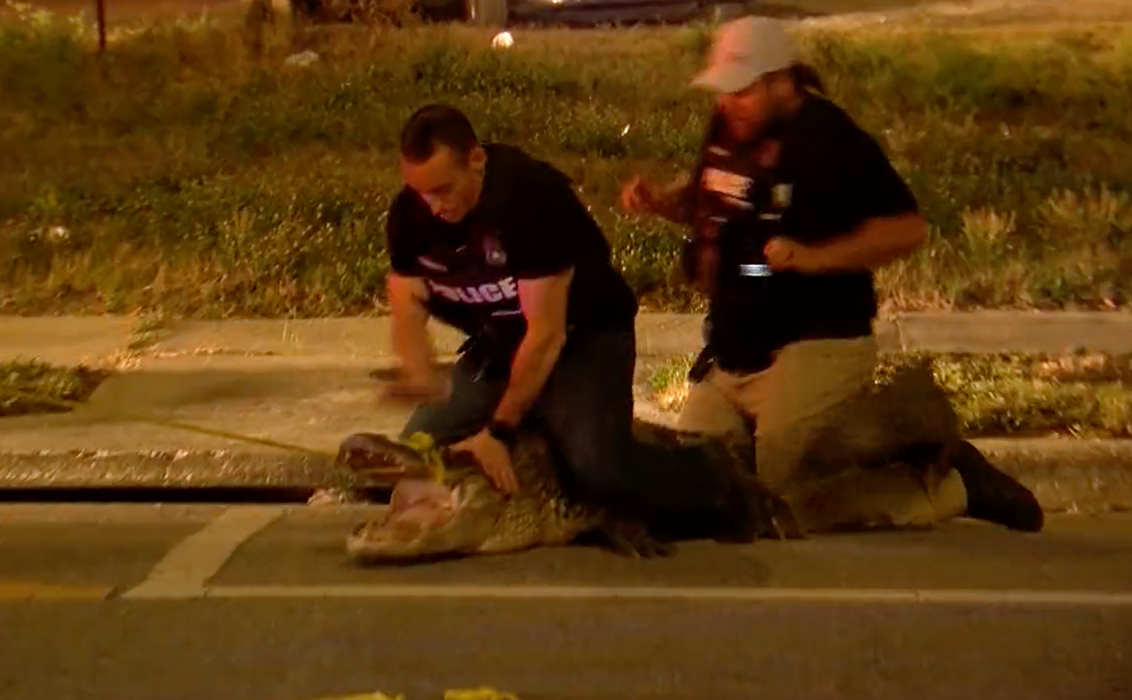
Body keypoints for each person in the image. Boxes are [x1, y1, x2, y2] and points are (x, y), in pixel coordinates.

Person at [620, 16, 1043, 533]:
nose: (727, 103)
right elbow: (716, 202)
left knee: (786, 502)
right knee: (694, 491)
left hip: (815, 342)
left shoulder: (830, 140)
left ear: (782, 81)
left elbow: (908, 229)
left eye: (742, 90)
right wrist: (662, 204)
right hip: (734, 352)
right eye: (723, 90)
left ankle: (948, 481)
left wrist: (812, 257)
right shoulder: (731, 124)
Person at [381, 103, 651, 526]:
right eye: (421, 193)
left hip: (584, 336)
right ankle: (537, 429)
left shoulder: (529, 199)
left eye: (443, 190)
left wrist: (497, 432)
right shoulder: (411, 214)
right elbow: (405, 297)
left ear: (476, 160)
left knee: (598, 472)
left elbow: (546, 336)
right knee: (419, 449)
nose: (432, 206)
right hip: (501, 340)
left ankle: (711, 473)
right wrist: (418, 369)